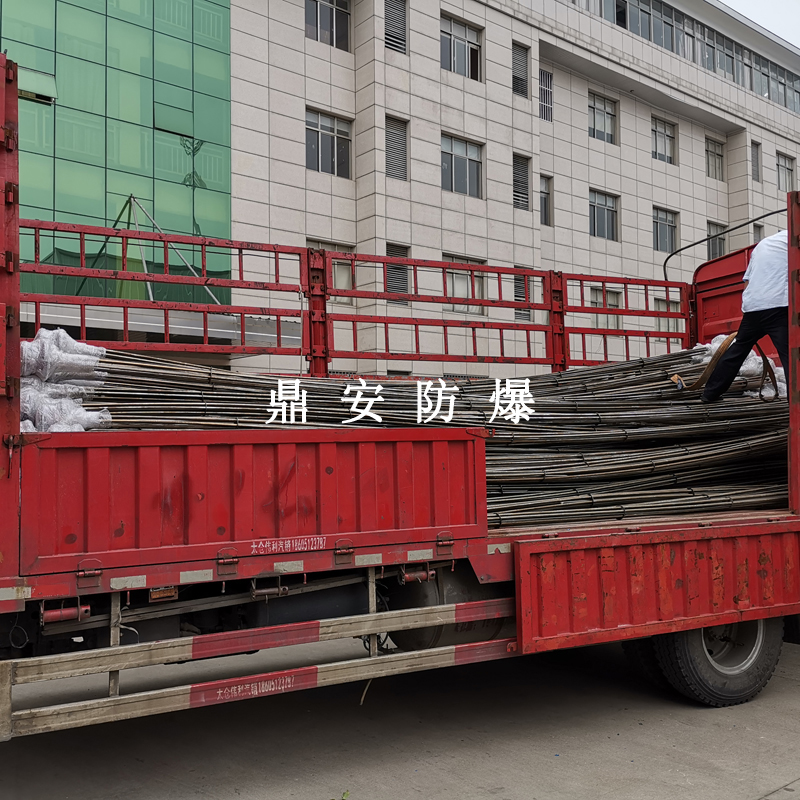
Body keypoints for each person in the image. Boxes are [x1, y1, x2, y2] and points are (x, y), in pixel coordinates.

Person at [701, 229, 790, 403]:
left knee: (738, 349)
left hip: (753, 308)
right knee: (790, 354)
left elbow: (747, 281)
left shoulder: (762, 246)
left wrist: (748, 309)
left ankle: (709, 393)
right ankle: (795, 406)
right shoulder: (793, 241)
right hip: (777, 305)